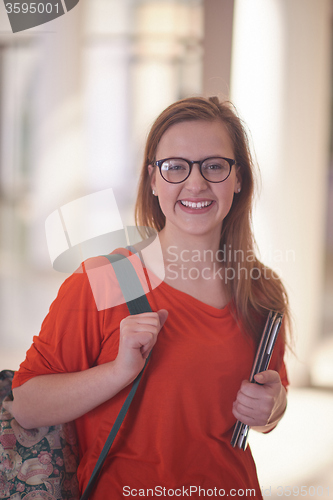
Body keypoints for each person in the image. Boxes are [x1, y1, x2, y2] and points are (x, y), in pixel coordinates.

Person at [8, 96, 291, 499]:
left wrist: (273, 408)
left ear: (238, 178)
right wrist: (117, 373)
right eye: (175, 167)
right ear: (154, 180)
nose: (195, 183)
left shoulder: (261, 291)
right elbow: (26, 405)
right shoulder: (101, 281)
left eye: (214, 165)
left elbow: (267, 407)